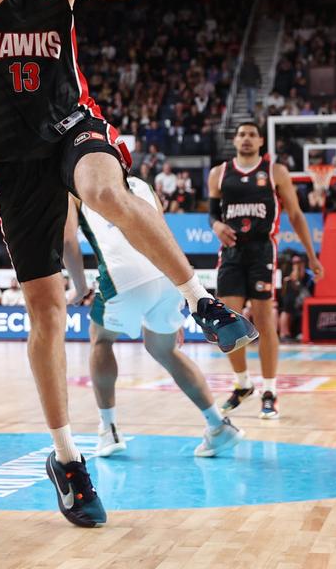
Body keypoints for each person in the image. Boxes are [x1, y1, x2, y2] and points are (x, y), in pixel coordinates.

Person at [0, 0, 254, 528]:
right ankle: (66, 458)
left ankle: (202, 301)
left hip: (68, 120)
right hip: (11, 153)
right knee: (47, 314)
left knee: (107, 192)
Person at [64, 179, 245, 458]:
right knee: (165, 349)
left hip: (122, 278)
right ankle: (218, 426)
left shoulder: (75, 187)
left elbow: (67, 240)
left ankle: (108, 429)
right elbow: (162, 231)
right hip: (166, 274)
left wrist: (78, 286)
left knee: (101, 341)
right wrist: (183, 291)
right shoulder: (142, 184)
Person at [208, 122, 323, 420]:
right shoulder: (218, 173)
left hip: (262, 251)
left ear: (261, 140)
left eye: (251, 134)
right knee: (227, 324)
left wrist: (311, 255)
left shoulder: (276, 172)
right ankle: (243, 384)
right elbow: (212, 213)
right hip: (231, 252)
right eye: (241, 134)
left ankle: (270, 391)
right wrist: (217, 225)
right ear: (234, 140)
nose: (246, 139)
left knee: (264, 321)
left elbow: (296, 215)